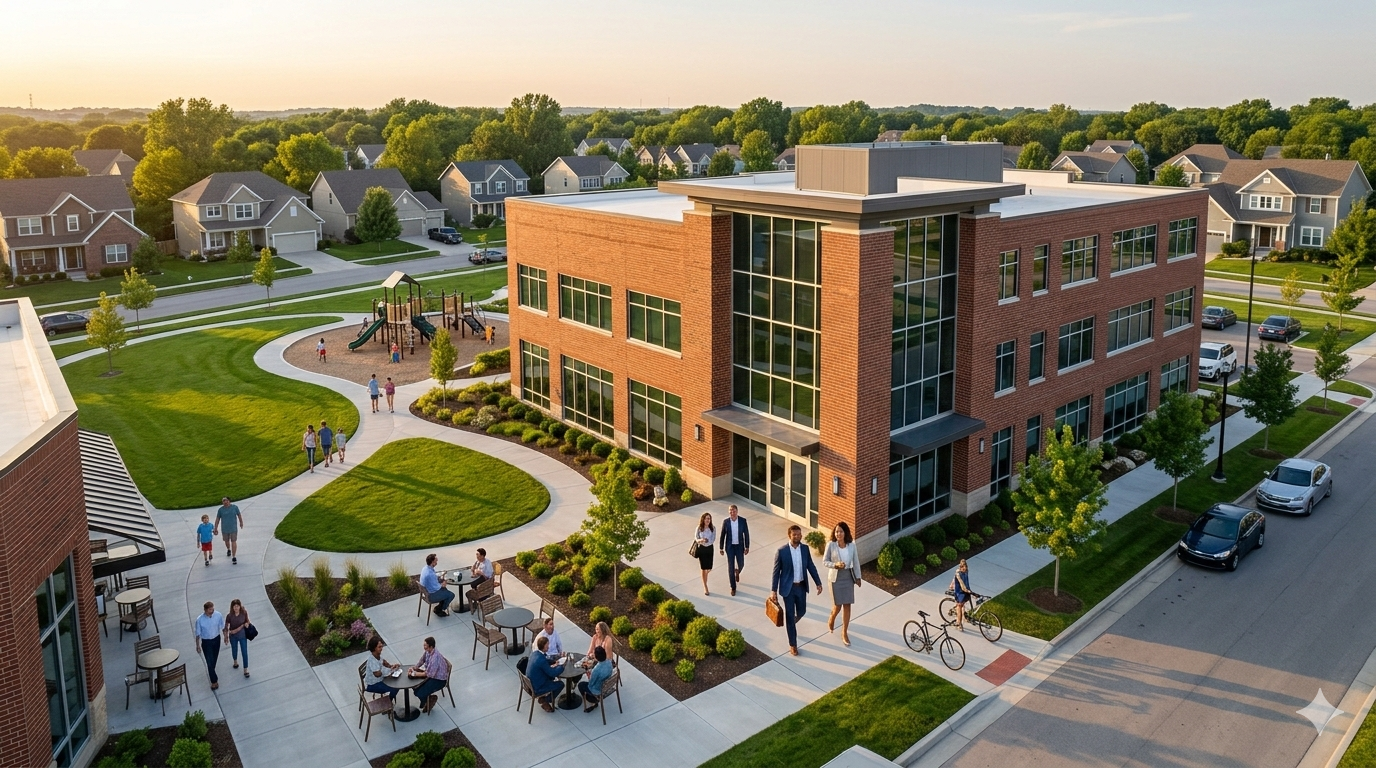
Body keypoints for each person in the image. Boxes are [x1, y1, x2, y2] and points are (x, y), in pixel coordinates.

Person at [771, 524, 823, 656]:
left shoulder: (805, 549)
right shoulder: (781, 551)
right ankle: (793, 645)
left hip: (801, 587)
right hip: (788, 589)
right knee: (789, 615)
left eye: (799, 534)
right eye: (795, 534)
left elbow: (810, 566)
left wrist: (818, 582)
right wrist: (773, 591)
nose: (797, 536)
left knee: (802, 611)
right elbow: (776, 572)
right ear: (789, 535)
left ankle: (791, 624)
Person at [823, 522, 863, 647]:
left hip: (848, 577)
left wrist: (858, 577)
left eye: (840, 531)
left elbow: (856, 561)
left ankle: (844, 632)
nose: (838, 534)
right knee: (837, 606)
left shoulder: (852, 545)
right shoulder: (831, 545)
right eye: (836, 531)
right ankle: (832, 617)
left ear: (845, 532)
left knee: (847, 605)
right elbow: (825, 561)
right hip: (835, 578)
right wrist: (835, 565)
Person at [409, 637, 450, 714]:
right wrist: (415, 668)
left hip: (439, 680)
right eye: (424, 645)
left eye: (426, 646)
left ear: (431, 647)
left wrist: (415, 674)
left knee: (419, 692)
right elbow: (422, 660)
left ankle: (429, 699)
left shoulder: (435, 658)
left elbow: (428, 674)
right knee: (415, 686)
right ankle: (425, 700)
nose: (424, 647)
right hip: (431, 674)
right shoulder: (428, 651)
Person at [193, 601, 227, 690]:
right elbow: (197, 634)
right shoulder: (199, 620)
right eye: (210, 609)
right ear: (205, 610)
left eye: (212, 608)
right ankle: (214, 681)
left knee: (213, 660)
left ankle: (211, 671)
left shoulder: (218, 615)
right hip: (206, 642)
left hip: (216, 639)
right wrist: (197, 645)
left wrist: (225, 637)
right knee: (209, 661)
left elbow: (223, 627)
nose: (212, 610)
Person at [526, 635, 564, 713]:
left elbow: (545, 660)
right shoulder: (541, 660)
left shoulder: (535, 653)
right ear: (543, 647)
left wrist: (553, 662)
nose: (548, 647)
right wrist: (562, 666)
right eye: (547, 646)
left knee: (551, 678)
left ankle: (545, 698)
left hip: (530, 683)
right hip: (537, 687)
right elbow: (552, 673)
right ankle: (545, 700)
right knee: (560, 684)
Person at [719, 504, 751, 596]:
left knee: (741, 563)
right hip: (730, 547)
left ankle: (738, 571)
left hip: (739, 546)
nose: (732, 513)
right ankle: (733, 587)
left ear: (737, 511)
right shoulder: (726, 522)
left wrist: (747, 546)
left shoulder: (742, 521)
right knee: (730, 567)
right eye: (730, 511)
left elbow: (746, 534)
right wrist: (721, 548)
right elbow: (722, 535)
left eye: (734, 511)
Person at [363, 636, 399, 702]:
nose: (381, 648)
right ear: (374, 648)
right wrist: (387, 673)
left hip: (380, 680)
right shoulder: (372, 660)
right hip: (373, 684)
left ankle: (388, 702)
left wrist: (392, 666)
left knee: (396, 683)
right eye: (379, 647)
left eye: (382, 646)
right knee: (395, 687)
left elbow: (384, 663)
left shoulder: (377, 656)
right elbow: (377, 674)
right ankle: (387, 704)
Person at [578, 646, 613, 713]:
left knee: (581, 685)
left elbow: (591, 684)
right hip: (605, 687)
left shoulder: (596, 670)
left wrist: (589, 675)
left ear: (596, 657)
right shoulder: (609, 662)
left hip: (597, 690)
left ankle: (593, 700)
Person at [225, 599, 252, 677]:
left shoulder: (244, 613)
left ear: (240, 606)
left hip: (242, 635)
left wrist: (246, 624)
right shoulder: (229, 615)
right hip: (233, 636)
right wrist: (226, 635)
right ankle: (235, 661)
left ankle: (245, 669)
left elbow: (247, 621)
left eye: (237, 606)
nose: (236, 608)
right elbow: (226, 625)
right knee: (234, 649)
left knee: (244, 651)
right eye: (234, 606)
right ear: (232, 607)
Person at [214, 497, 243, 565]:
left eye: (226, 500)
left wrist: (241, 522)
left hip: (233, 528)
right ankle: (228, 549)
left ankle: (234, 556)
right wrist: (215, 528)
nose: (225, 502)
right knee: (226, 541)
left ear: (229, 501)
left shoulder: (235, 507)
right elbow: (217, 519)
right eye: (223, 501)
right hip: (225, 528)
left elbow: (239, 515)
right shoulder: (220, 510)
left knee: (233, 541)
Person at [694, 512, 716, 596]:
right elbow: (696, 538)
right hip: (702, 549)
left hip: (710, 548)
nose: (708, 520)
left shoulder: (713, 528)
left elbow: (713, 539)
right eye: (706, 518)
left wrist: (708, 541)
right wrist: (702, 540)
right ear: (703, 519)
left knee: (709, 568)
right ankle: (705, 586)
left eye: (709, 518)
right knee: (703, 568)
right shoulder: (699, 528)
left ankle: (704, 576)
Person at [951, 559, 972, 631]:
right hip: (959, 591)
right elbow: (962, 584)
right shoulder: (958, 573)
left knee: (963, 603)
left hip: (965, 590)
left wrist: (969, 590)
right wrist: (967, 590)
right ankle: (958, 623)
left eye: (965, 567)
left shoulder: (966, 572)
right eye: (963, 567)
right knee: (959, 605)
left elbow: (966, 581)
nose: (964, 568)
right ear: (960, 567)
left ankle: (963, 616)